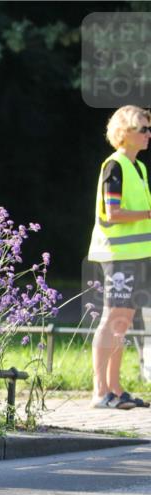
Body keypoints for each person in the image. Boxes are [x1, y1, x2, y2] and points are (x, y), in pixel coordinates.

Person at [87, 105, 151, 410]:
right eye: (144, 129)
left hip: (136, 255)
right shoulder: (114, 166)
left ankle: (116, 388)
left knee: (121, 323)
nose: (149, 134)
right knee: (112, 319)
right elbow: (113, 213)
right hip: (118, 256)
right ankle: (100, 392)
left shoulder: (138, 167)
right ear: (125, 132)